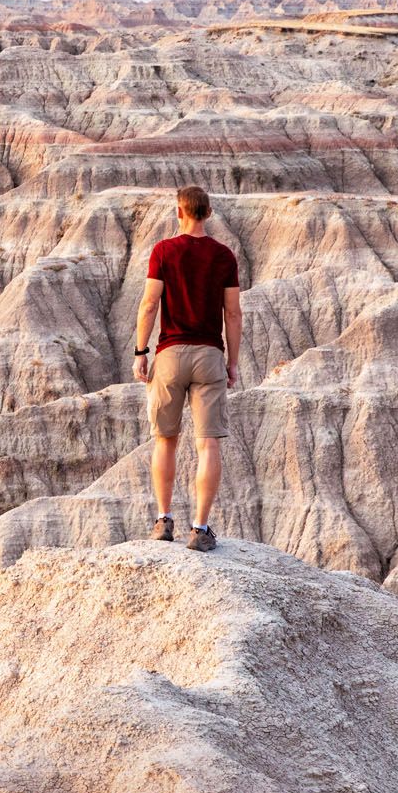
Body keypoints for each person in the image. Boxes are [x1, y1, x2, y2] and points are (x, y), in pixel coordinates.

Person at [131, 185, 242, 551]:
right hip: (209, 354)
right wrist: (232, 362)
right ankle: (200, 528)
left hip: (170, 354)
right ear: (208, 213)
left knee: (166, 440)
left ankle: (163, 520)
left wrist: (140, 351)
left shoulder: (164, 251)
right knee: (208, 443)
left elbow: (149, 304)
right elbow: (233, 314)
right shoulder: (224, 256)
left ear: (179, 212)